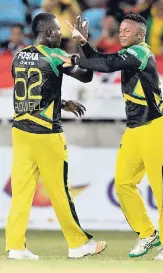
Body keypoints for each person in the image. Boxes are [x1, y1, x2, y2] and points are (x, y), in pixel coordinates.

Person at [53, 14, 163, 261]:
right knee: (123, 184)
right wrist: (83, 43)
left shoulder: (141, 53)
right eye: (121, 29)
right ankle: (147, 233)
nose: (122, 33)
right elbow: (103, 60)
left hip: (156, 128)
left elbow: (107, 64)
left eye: (127, 30)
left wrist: (75, 58)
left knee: (161, 189)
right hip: (134, 130)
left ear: (140, 35)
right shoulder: (127, 54)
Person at [6, 12, 107, 260]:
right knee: (60, 190)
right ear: (49, 33)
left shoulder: (18, 57)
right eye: (58, 33)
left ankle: (16, 246)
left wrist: (61, 102)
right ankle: (77, 244)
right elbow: (87, 75)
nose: (60, 37)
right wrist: (83, 43)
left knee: (21, 193)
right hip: (46, 134)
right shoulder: (55, 55)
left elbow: (33, 93)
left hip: (20, 131)